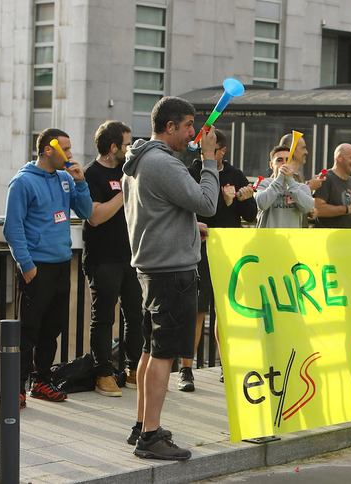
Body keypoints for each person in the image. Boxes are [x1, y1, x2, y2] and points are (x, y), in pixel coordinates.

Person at [122, 96, 219, 460]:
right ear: (170, 127)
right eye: (189, 126)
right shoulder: (165, 164)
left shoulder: (140, 160)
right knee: (163, 355)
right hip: (171, 271)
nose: (194, 133)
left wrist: (187, 227)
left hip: (151, 267)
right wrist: (209, 160)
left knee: (149, 350)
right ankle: (151, 437)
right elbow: (208, 202)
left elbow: (152, 211)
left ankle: (142, 425)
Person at [3, 128, 92, 409]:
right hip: (36, 267)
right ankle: (15, 387)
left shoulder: (66, 179)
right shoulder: (22, 183)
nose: (70, 154)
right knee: (28, 330)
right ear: (47, 149)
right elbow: (12, 227)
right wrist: (26, 265)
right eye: (64, 149)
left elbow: (87, 212)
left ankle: (41, 382)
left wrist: (80, 183)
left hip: (62, 263)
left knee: (53, 326)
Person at [178, 128, 256, 392]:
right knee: (196, 312)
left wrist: (241, 200)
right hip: (198, 249)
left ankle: (227, 366)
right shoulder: (191, 172)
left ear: (222, 150)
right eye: (204, 149)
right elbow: (183, 209)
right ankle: (186, 370)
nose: (207, 153)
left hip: (228, 251)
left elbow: (251, 214)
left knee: (225, 312)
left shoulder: (235, 174)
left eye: (213, 149)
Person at [83, 120, 143, 398]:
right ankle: (103, 373)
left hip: (131, 256)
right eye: (126, 143)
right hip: (102, 257)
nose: (129, 148)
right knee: (103, 317)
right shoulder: (91, 175)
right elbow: (95, 216)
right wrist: (123, 190)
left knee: (135, 314)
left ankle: (133, 369)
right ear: (112, 147)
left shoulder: (126, 171)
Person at [313, 143, 351, 227]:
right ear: (339, 157)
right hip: (329, 238)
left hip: (348, 238)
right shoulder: (325, 178)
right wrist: (348, 209)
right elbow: (318, 209)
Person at [255, 144, 315, 228]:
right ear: (271, 165)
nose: (284, 163)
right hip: (268, 240)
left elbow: (307, 207)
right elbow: (262, 204)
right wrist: (280, 178)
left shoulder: (302, 187)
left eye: (288, 160)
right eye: (279, 160)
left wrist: (290, 181)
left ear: (293, 164)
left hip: (291, 239)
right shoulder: (263, 183)